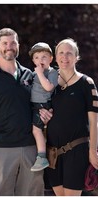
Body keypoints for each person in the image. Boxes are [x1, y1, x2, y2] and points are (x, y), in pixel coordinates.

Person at [0, 28, 46, 196]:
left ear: (18, 46)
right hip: (2, 149)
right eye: (5, 43)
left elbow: (40, 105)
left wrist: (45, 113)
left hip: (31, 148)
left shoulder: (31, 75)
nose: (9, 47)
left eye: (13, 43)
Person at [43, 38, 98, 196]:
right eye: (61, 53)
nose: (65, 57)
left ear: (76, 57)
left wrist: (92, 151)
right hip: (52, 154)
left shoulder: (86, 83)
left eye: (69, 53)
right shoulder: (48, 83)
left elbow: (94, 122)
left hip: (77, 151)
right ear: (55, 57)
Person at [28, 42, 58, 172]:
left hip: (43, 106)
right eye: (37, 57)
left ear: (51, 59)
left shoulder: (51, 72)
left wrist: (40, 73)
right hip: (35, 105)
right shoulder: (34, 74)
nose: (40, 61)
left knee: (36, 130)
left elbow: (49, 87)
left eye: (44, 57)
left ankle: (41, 156)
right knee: (35, 129)